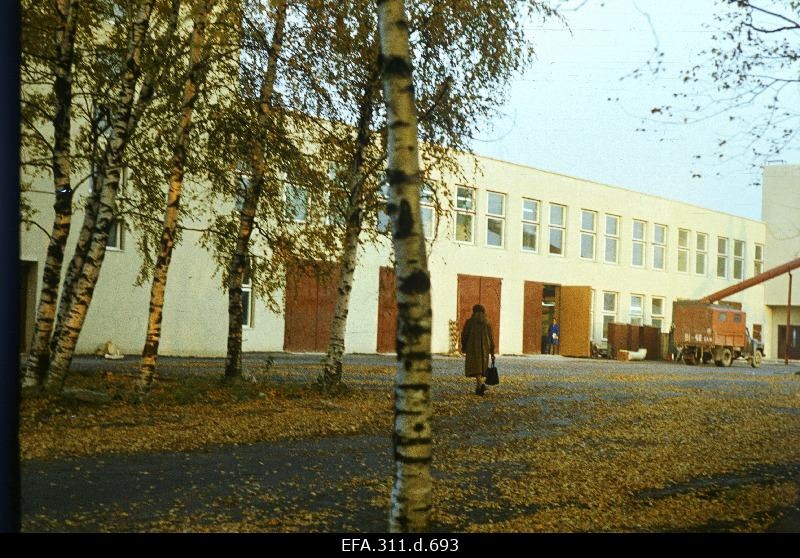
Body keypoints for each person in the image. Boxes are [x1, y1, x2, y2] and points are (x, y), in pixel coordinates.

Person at [461, 304, 495, 396]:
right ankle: (479, 386)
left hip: (472, 347)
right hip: (485, 348)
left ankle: (479, 385)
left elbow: (464, 335)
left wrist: (463, 346)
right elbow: (491, 337)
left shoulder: (470, 322)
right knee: (481, 367)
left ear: (474, 311)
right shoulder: (488, 322)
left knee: (476, 367)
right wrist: (492, 351)